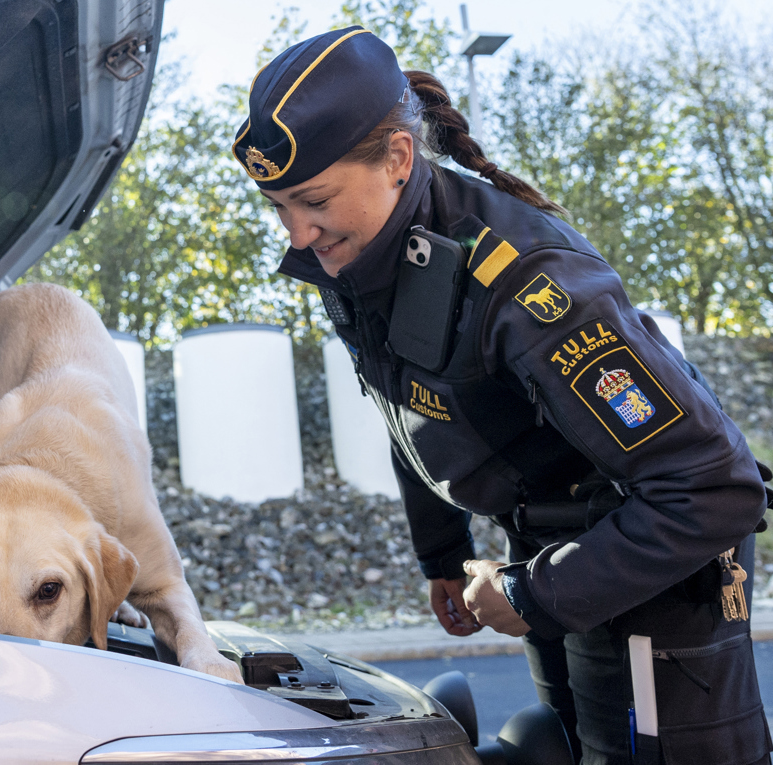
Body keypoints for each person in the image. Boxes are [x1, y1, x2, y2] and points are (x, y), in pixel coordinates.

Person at [232, 26, 773, 765]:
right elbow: (409, 406)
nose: (296, 232)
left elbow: (715, 489)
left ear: (397, 157)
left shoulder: (530, 286)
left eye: (312, 199)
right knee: (571, 746)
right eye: (278, 206)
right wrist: (443, 554)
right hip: (554, 542)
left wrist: (531, 595)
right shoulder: (365, 257)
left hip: (655, 565)